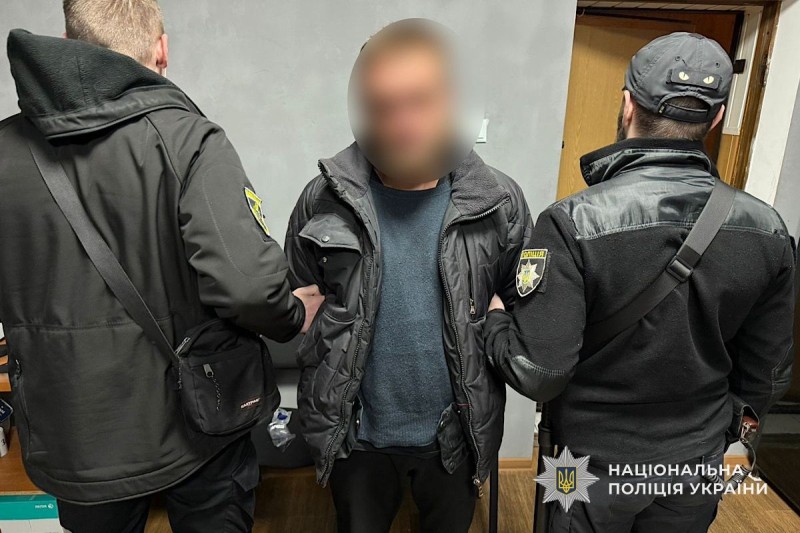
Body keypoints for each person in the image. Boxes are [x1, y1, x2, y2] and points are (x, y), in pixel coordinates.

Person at [0, 1, 322, 531]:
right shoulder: (190, 140)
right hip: (198, 426)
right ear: (162, 50)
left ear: (70, 43)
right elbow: (248, 287)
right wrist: (292, 314)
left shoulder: (6, 151)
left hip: (73, 432)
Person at [484, 32, 795, 532]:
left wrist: (497, 321)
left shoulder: (571, 222)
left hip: (580, 464)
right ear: (716, 118)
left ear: (627, 104)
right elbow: (770, 374)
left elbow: (538, 373)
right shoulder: (768, 229)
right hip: (694, 462)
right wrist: (716, 433)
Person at [285, 19, 532, 533]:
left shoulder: (498, 202)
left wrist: (500, 324)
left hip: (454, 435)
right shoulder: (323, 198)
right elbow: (298, 291)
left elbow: (524, 307)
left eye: (419, 102)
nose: (401, 123)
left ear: (450, 102)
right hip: (356, 435)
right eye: (384, 106)